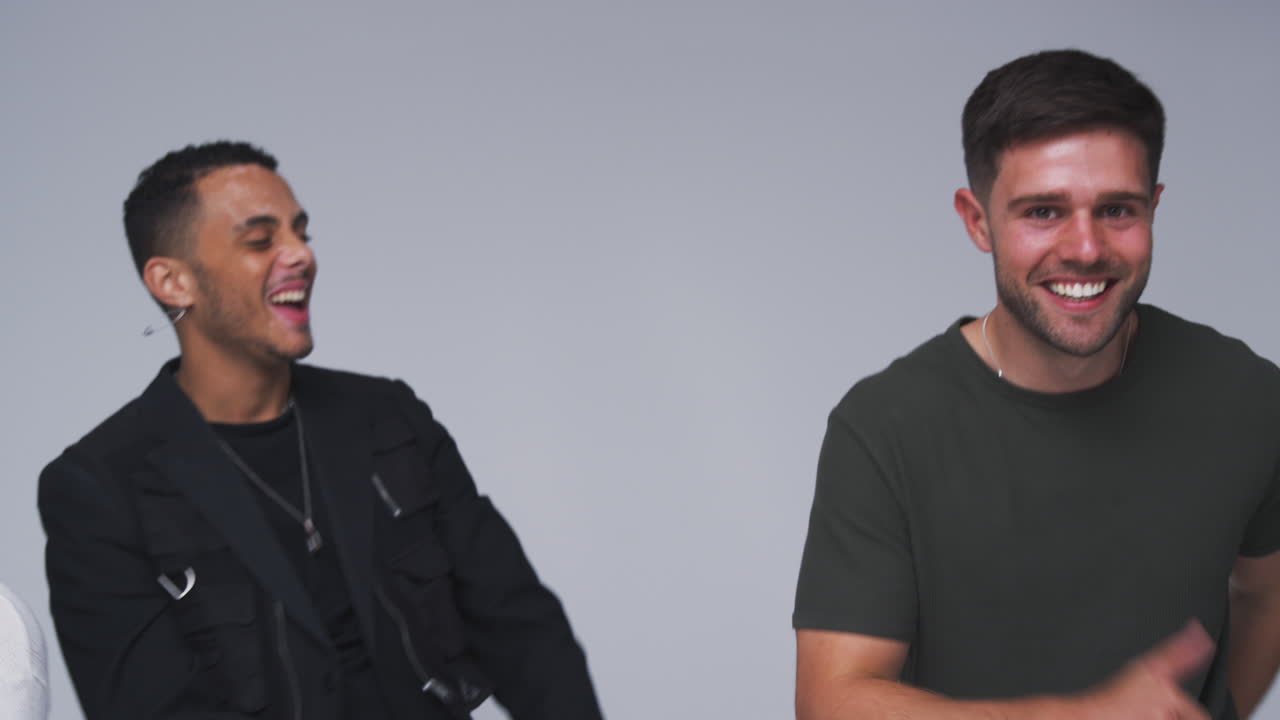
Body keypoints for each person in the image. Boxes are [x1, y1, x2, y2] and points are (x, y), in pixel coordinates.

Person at [38, 142, 604, 720]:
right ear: (173, 283)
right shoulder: (98, 487)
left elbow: (523, 632)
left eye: (301, 233)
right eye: (260, 240)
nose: (300, 256)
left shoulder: (390, 418)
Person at [793, 49, 1280, 720]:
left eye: (1117, 210)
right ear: (976, 220)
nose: (1084, 247)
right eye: (1043, 212)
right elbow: (831, 702)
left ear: (1155, 207)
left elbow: (1267, 591)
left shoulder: (1247, 397)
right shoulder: (885, 426)